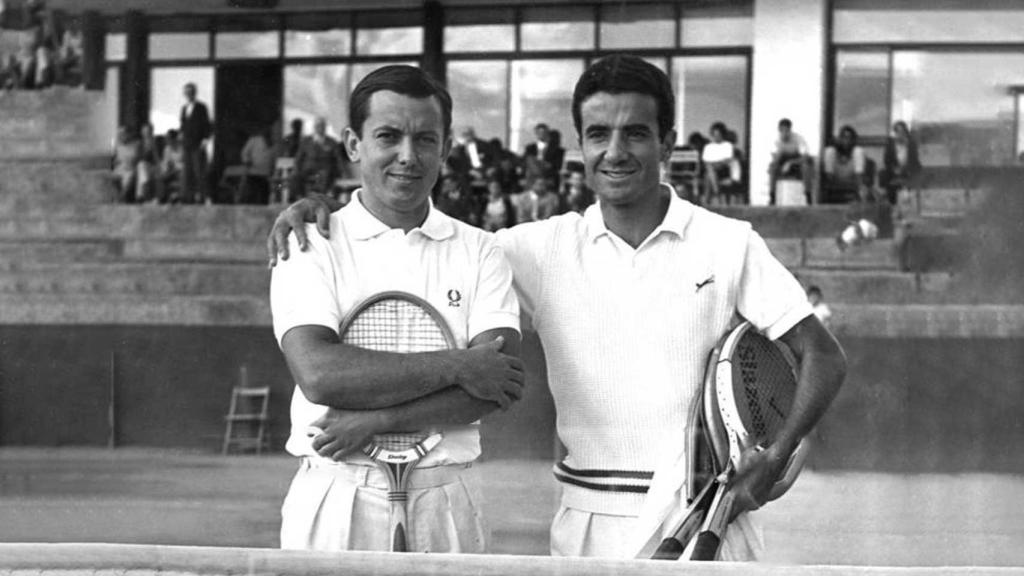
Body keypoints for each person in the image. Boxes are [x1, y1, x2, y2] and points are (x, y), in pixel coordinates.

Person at [267, 54, 847, 561]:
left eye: (636, 134)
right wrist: (317, 208)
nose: (615, 152)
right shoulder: (525, 248)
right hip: (586, 523)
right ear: (580, 145)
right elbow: (399, 240)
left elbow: (823, 356)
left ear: (668, 143)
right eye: (598, 134)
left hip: (717, 520)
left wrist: (774, 455)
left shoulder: (729, 241)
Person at [269, 64, 525, 554]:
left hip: (447, 497)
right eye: (388, 136)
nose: (408, 157)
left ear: (445, 149)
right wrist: (460, 365)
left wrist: (376, 421)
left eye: (425, 140)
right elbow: (321, 375)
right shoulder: (309, 243)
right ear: (353, 144)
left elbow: (498, 386)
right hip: (336, 493)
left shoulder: (481, 249)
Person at [292, 117, 344, 197]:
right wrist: (296, 168)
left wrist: (341, 171)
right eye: (317, 126)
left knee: (324, 175)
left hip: (325, 169)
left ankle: (320, 198)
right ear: (314, 127)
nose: (319, 128)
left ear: (325, 127)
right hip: (308, 168)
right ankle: (301, 198)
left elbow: (338, 158)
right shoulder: (306, 141)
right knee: (295, 176)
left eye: (321, 126)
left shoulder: (331, 142)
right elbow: (299, 157)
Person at [179, 82, 212, 203]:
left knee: (199, 170)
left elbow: (207, 125)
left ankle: (203, 196)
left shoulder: (201, 107)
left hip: (197, 143)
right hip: (187, 144)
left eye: (190, 92)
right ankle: (188, 197)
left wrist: (205, 139)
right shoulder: (184, 108)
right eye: (186, 92)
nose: (188, 94)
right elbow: (183, 125)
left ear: (194, 93)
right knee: (187, 171)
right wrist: (181, 136)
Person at [769, 118, 811, 206]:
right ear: (779, 130)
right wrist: (779, 153)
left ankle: (808, 196)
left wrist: (790, 163)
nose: (785, 133)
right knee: (772, 168)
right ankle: (772, 197)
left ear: (790, 130)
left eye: (786, 130)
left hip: (796, 163)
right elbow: (775, 159)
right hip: (782, 163)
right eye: (782, 130)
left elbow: (805, 157)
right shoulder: (775, 141)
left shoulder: (798, 139)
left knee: (806, 167)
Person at [822, 125, 868, 204]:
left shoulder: (856, 150)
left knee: (858, 151)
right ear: (839, 138)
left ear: (853, 140)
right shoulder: (834, 150)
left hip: (853, 177)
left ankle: (859, 195)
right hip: (835, 177)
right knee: (829, 151)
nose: (846, 140)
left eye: (849, 138)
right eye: (844, 137)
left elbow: (860, 173)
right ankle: (829, 192)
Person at [880, 120, 922, 206]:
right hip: (894, 174)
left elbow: (915, 162)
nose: (900, 134)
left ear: (906, 133)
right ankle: (892, 204)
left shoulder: (911, 145)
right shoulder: (890, 145)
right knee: (886, 177)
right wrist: (894, 169)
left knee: (916, 177)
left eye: (902, 132)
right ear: (895, 133)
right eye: (898, 131)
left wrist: (907, 169)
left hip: (909, 173)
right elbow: (887, 161)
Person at [701, 121, 738, 204]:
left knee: (709, 173)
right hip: (711, 170)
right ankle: (716, 191)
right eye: (715, 135)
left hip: (723, 170)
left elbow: (727, 160)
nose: (716, 137)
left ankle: (708, 201)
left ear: (722, 135)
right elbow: (706, 162)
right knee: (709, 173)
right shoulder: (708, 147)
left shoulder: (727, 145)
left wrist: (715, 164)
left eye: (718, 135)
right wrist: (713, 165)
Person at [523, 123, 566, 187]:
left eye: (544, 132)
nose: (541, 134)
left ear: (547, 133)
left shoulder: (558, 150)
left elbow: (557, 165)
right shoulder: (530, 148)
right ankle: (539, 179)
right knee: (530, 159)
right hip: (532, 177)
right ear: (536, 133)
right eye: (539, 132)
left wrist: (542, 164)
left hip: (548, 177)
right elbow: (525, 162)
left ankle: (540, 179)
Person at [240, 126, 275, 204]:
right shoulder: (254, 140)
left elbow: (272, 158)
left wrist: (272, 169)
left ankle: (263, 206)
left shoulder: (271, 143)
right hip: (253, 172)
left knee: (265, 192)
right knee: (252, 190)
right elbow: (245, 152)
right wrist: (247, 161)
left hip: (265, 173)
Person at [111, 125, 141, 203]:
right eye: (119, 134)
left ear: (128, 134)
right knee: (112, 178)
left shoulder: (136, 144)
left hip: (130, 170)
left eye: (123, 133)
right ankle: (118, 199)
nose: (121, 136)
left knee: (127, 181)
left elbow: (136, 158)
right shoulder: (117, 146)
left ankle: (121, 199)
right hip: (119, 169)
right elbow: (114, 159)